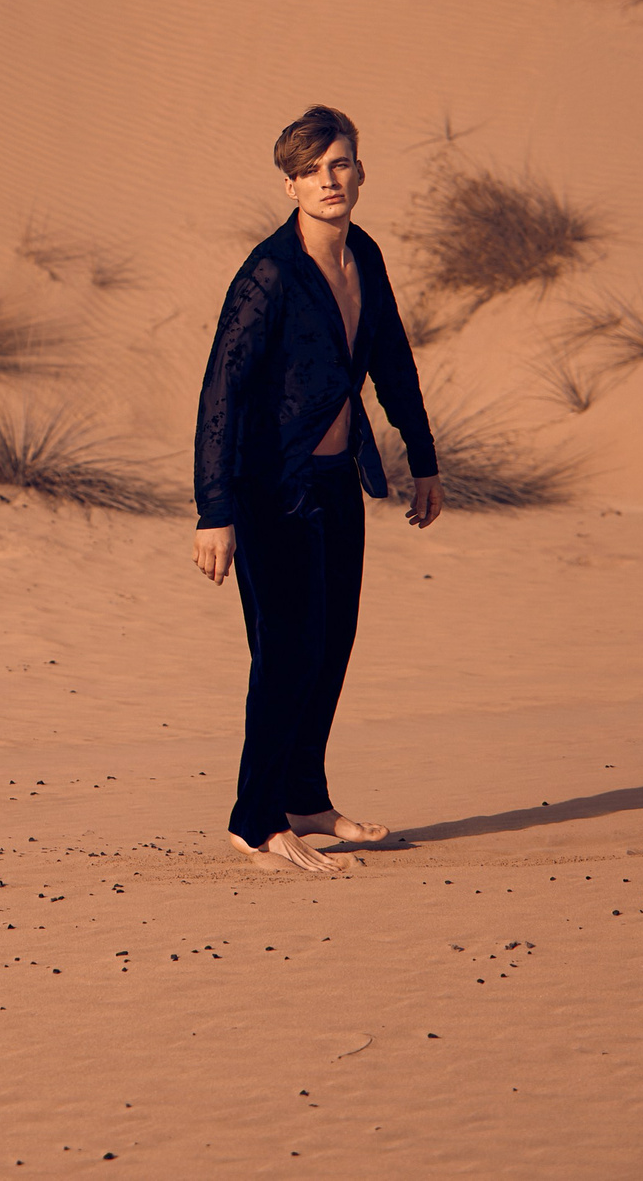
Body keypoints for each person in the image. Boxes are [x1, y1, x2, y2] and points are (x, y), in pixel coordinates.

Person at [193, 105, 441, 874]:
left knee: (330, 644)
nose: (329, 181)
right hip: (270, 489)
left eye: (340, 164)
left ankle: (304, 798)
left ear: (361, 171)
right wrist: (214, 512)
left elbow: (392, 359)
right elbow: (221, 392)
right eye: (311, 170)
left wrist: (422, 458)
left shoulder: (362, 254)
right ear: (291, 183)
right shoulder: (268, 274)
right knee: (286, 651)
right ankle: (255, 818)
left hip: (335, 480)